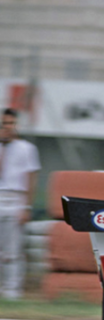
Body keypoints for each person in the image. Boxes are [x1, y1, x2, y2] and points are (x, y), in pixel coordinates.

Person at [0, 108, 40, 300]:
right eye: (3, 124)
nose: (6, 128)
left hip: (15, 199)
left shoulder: (26, 148)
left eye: (10, 124)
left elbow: (30, 178)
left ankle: (11, 291)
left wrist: (26, 206)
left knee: (12, 250)